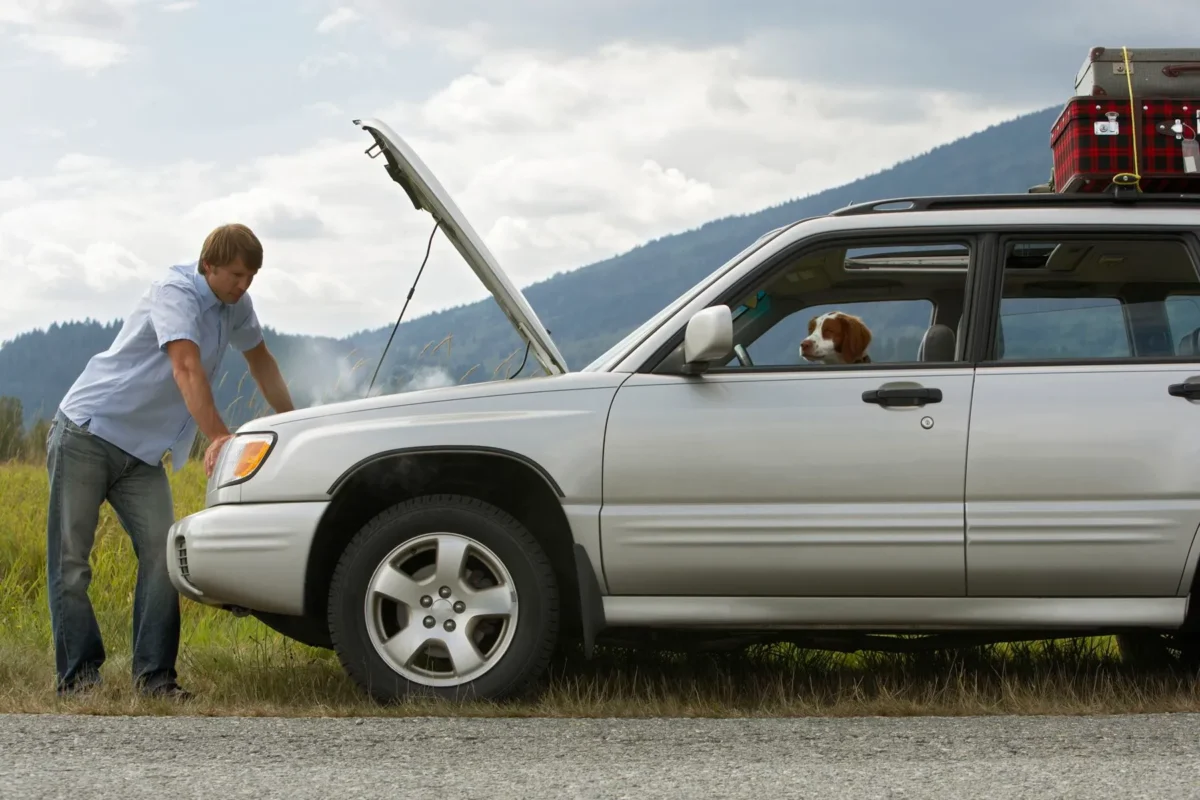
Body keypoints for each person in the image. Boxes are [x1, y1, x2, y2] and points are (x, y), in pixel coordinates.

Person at [45, 223, 295, 699]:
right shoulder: (174, 291)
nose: (244, 286)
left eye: (251, 277)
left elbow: (261, 361)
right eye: (237, 275)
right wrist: (218, 435)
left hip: (141, 455)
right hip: (88, 432)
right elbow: (185, 365)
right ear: (209, 266)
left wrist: (295, 421)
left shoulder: (235, 305)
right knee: (71, 563)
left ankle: (155, 680)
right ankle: (79, 680)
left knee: (165, 557)